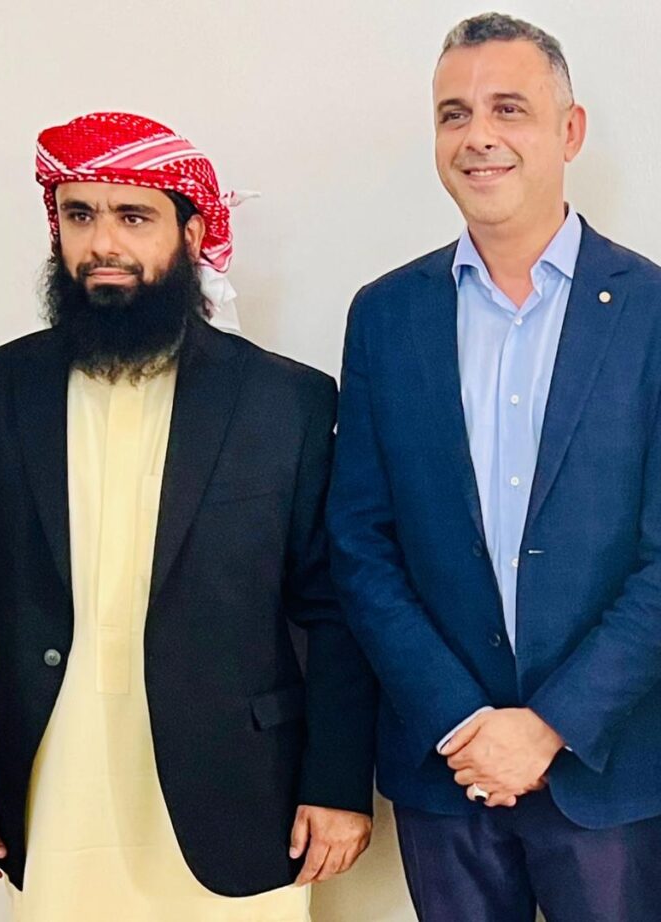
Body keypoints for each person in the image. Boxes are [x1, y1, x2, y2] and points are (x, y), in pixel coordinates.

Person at [0, 111, 377, 922]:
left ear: (191, 234)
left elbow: (331, 610)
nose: (104, 244)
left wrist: (338, 785)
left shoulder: (286, 401)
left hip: (239, 795)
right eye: (80, 215)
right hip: (53, 788)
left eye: (134, 217)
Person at [327, 13, 661, 922]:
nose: (478, 136)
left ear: (570, 130)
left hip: (610, 767)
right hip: (446, 767)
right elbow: (360, 542)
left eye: (509, 108)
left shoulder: (650, 313)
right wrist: (462, 719)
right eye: (454, 114)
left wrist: (551, 726)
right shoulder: (385, 315)